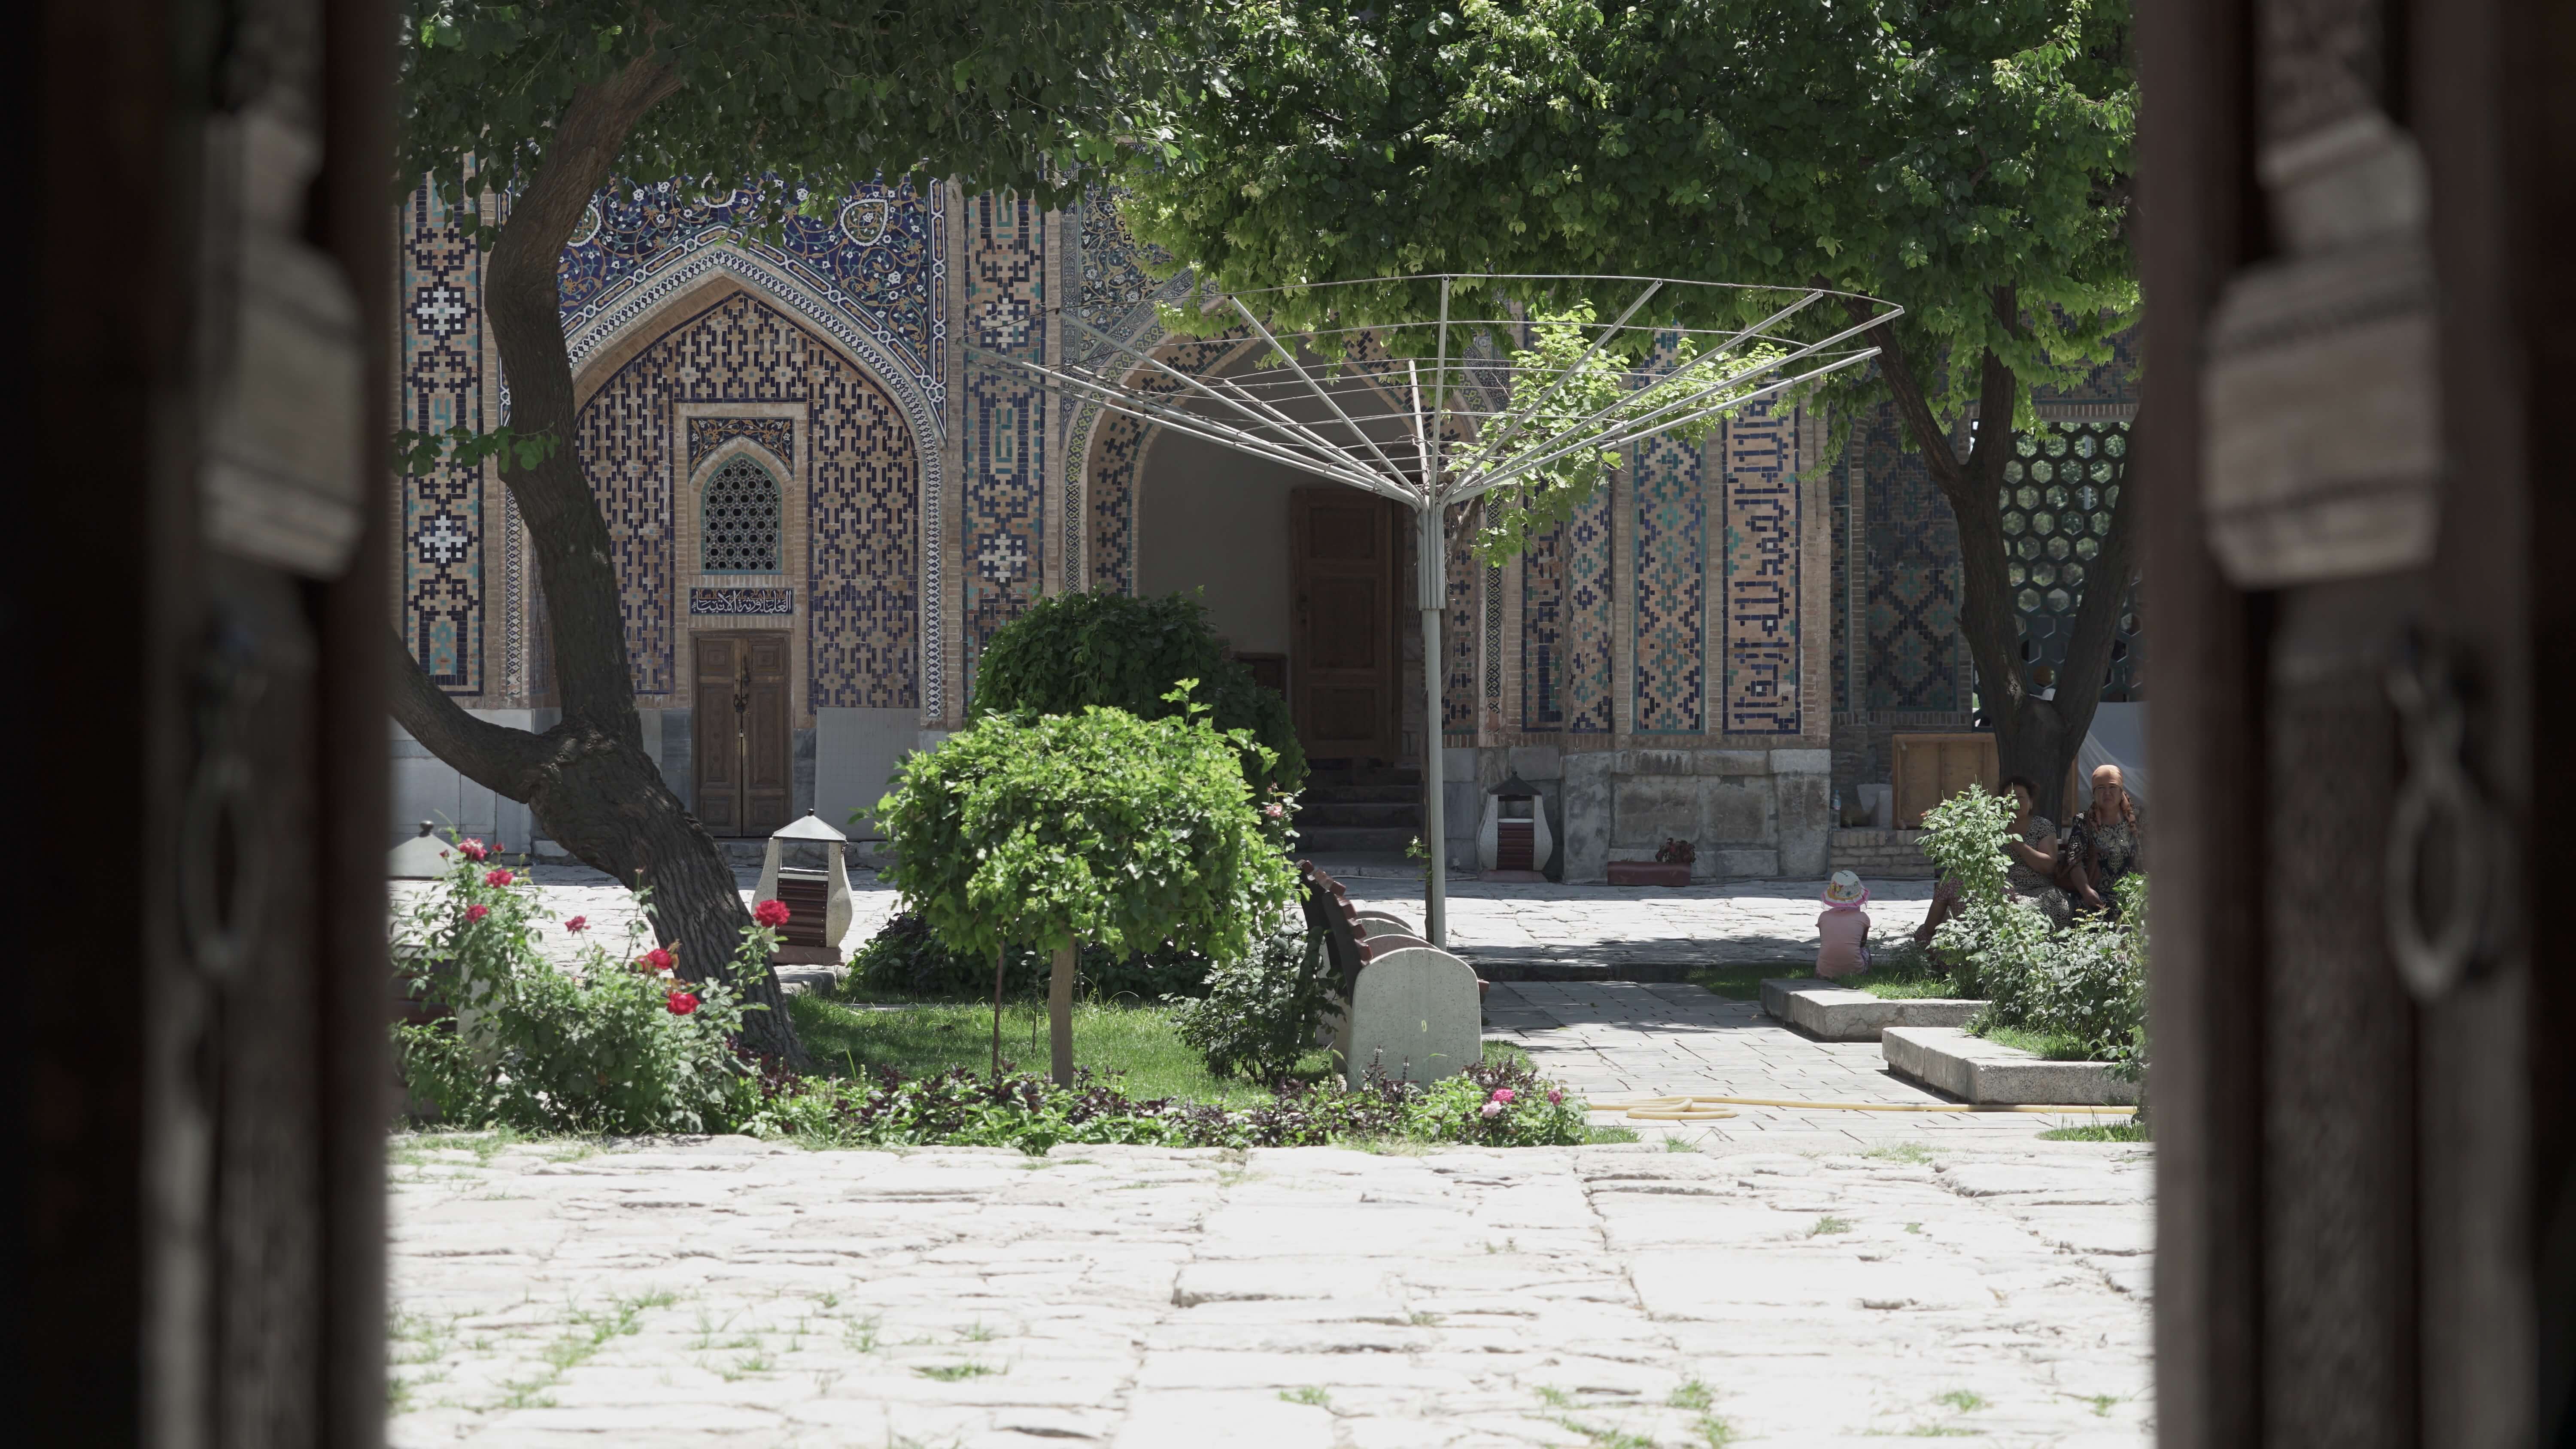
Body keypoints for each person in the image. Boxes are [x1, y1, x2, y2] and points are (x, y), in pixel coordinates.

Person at [2064, 763, 2145, 917]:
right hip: (2097, 897)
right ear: (2093, 793)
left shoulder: (2138, 819)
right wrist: (2086, 891)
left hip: (2134, 895)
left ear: (2121, 791)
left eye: (2112, 787)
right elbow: (2075, 861)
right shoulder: (2084, 821)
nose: (2107, 793)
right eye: (2101, 788)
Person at [1999, 773, 2073, 928]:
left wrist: (2018, 845)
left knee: (2060, 907)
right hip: (2004, 890)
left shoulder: (2043, 826)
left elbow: (2048, 866)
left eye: (2020, 797)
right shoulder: (1994, 827)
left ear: (2031, 802)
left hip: (2041, 889)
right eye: (2009, 798)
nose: (2015, 802)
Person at [1816, 870, 1872, 979]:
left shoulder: (1824, 917)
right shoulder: (1863, 918)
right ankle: (1865, 974)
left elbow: (1824, 940)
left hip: (1824, 971)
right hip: (1856, 970)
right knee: (1866, 951)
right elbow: (1862, 943)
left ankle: (1824, 973)